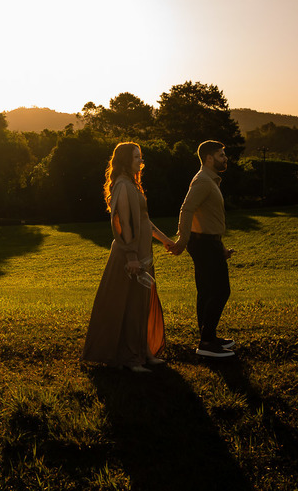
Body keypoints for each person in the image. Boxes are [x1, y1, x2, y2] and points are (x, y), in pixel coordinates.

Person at [82, 142, 178, 372]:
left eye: (140, 157)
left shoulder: (133, 185)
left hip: (143, 253)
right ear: (125, 160)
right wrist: (132, 255)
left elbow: (145, 221)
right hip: (130, 255)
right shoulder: (123, 185)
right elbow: (123, 223)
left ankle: (143, 351)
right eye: (136, 157)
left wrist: (166, 240)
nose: (141, 161)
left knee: (141, 304)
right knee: (131, 305)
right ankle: (130, 357)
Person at [171, 140, 237, 358]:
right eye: (221, 155)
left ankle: (208, 337)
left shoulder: (210, 180)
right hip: (204, 243)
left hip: (209, 242)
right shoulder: (203, 181)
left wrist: (221, 247)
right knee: (220, 291)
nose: (225, 158)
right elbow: (187, 208)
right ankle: (207, 342)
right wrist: (183, 239)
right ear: (209, 158)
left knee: (208, 292)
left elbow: (208, 218)